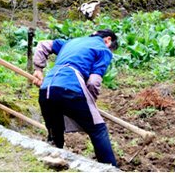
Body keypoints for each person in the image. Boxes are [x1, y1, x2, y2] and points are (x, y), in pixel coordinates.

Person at [32, 29, 119, 167]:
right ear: (108, 40)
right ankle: (110, 168)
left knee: (55, 135)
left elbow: (43, 45)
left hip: (46, 89)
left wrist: (38, 69)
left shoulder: (71, 42)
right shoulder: (103, 49)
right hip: (70, 87)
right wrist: (90, 103)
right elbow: (93, 82)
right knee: (98, 130)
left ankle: (52, 163)